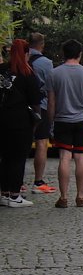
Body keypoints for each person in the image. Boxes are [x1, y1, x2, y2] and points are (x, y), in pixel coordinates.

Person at [47, 39, 83, 209]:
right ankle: (81, 196)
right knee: (81, 157)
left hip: (62, 120)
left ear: (64, 53)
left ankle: (63, 196)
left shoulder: (54, 74)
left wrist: (51, 122)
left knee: (64, 157)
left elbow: (51, 103)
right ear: (80, 54)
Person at [0, 39, 41, 207]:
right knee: (18, 159)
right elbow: (35, 100)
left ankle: (3, 192)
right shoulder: (28, 73)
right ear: (26, 53)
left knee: (4, 158)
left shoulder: (2, 70)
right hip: (20, 121)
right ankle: (15, 195)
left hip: (2, 119)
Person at [28, 32, 57, 194]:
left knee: (21, 144)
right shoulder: (46, 63)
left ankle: (15, 182)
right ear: (42, 44)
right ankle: (38, 181)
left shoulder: (19, 60)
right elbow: (50, 87)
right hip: (41, 106)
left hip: (21, 107)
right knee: (41, 143)